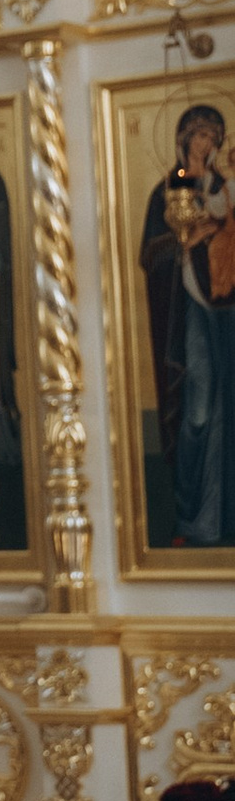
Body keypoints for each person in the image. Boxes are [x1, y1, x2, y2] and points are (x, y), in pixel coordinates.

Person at [139, 100, 235, 548]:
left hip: (227, 307)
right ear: (183, 141)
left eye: (212, 138)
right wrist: (181, 238)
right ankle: (189, 517)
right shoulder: (166, 191)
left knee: (227, 406)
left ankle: (221, 520)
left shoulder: (228, 187)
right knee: (197, 411)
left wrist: (217, 228)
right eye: (198, 136)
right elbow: (149, 253)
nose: (205, 144)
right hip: (191, 309)